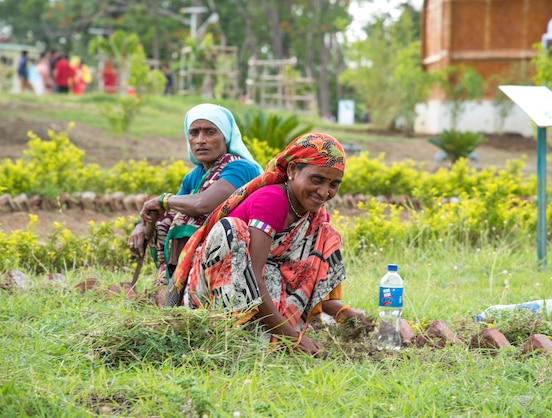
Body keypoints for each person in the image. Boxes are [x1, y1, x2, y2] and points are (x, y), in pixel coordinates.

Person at [166, 132, 372, 357]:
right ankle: (229, 333)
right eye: (316, 180)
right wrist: (293, 339)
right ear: (292, 171)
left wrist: (342, 312)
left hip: (262, 297)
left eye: (334, 184)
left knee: (328, 234)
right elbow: (253, 276)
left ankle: (269, 338)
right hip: (216, 297)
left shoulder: (314, 216)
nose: (324, 192)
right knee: (233, 230)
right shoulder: (273, 199)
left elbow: (301, 281)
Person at [128, 103, 263, 285]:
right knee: (166, 215)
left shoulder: (239, 167)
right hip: (210, 252)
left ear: (226, 136)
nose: (201, 140)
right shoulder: (195, 176)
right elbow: (169, 208)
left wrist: (162, 200)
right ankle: (171, 282)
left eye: (210, 132)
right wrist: (141, 224)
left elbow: (203, 204)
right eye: (194, 133)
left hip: (244, 251)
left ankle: (188, 284)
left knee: (186, 213)